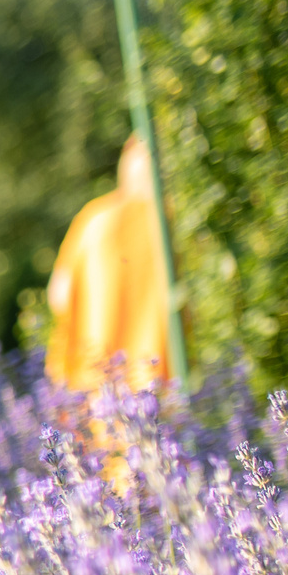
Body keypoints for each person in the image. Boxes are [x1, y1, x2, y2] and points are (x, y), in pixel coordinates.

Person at [46, 135, 176, 393]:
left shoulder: (94, 219)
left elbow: (58, 295)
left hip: (100, 385)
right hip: (160, 381)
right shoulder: (173, 219)